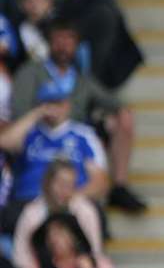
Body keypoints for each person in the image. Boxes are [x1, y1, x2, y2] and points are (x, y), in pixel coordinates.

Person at [12, 19, 144, 214]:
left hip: (74, 141)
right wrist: (47, 115)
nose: (64, 45)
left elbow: (115, 103)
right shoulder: (31, 72)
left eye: (69, 40)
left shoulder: (82, 80)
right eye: (59, 39)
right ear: (49, 42)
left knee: (123, 118)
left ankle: (120, 186)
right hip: (38, 136)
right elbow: (19, 114)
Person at [0, 79, 109, 224]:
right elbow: (4, 143)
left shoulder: (84, 135)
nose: (53, 108)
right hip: (28, 201)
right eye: (48, 103)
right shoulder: (28, 132)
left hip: (70, 203)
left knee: (90, 213)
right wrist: (36, 114)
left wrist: (71, 197)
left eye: (58, 103)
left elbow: (100, 182)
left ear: (67, 105)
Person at [11, 158, 103, 268]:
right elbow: (21, 257)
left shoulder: (85, 212)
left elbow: (94, 253)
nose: (64, 190)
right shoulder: (32, 213)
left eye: (70, 185)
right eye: (60, 183)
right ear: (48, 183)